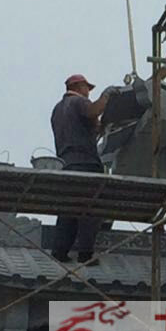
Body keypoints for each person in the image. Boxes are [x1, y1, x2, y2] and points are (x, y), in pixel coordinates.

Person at [50, 74, 110, 265]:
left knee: (68, 208)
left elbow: (86, 126)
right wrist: (107, 97)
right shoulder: (78, 102)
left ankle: (60, 250)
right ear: (77, 86)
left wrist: (98, 127)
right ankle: (85, 253)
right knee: (90, 207)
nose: (88, 92)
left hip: (66, 163)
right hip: (85, 163)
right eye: (86, 88)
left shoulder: (57, 109)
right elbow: (93, 110)